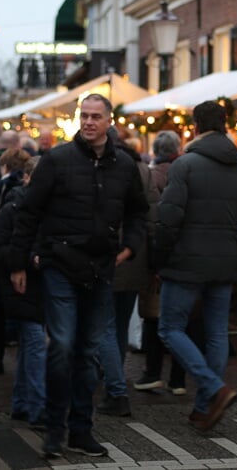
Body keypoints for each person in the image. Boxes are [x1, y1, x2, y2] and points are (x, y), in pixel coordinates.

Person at [10, 93, 147, 459]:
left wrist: (130, 247)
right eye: (84, 116)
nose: (88, 122)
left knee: (87, 353)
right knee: (63, 348)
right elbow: (28, 211)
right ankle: (55, 429)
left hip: (101, 269)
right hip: (60, 264)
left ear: (108, 121)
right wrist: (19, 262)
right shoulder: (58, 160)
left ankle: (80, 430)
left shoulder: (124, 165)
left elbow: (138, 212)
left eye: (95, 117)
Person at [155, 101, 237, 432]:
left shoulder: (185, 165)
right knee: (215, 333)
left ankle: (213, 389)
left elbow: (168, 218)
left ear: (196, 126)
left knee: (170, 328)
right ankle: (204, 407)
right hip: (224, 260)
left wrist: (159, 258)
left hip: (185, 260)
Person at [97, 136, 161, 417]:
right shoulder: (144, 171)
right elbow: (154, 217)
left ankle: (116, 389)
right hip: (137, 257)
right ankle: (114, 379)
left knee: (106, 326)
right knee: (120, 324)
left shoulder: (103, 168)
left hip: (109, 255)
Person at [0, 156, 47, 428]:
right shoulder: (13, 208)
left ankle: (22, 404)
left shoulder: (50, 207)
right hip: (21, 285)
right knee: (35, 343)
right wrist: (25, 261)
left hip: (38, 284)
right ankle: (38, 407)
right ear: (27, 177)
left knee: (30, 344)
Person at [134, 131, 187, 396]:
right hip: (183, 254)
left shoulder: (151, 176)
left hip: (157, 255)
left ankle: (152, 372)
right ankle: (178, 379)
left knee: (154, 317)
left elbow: (150, 220)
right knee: (181, 319)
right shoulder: (186, 172)